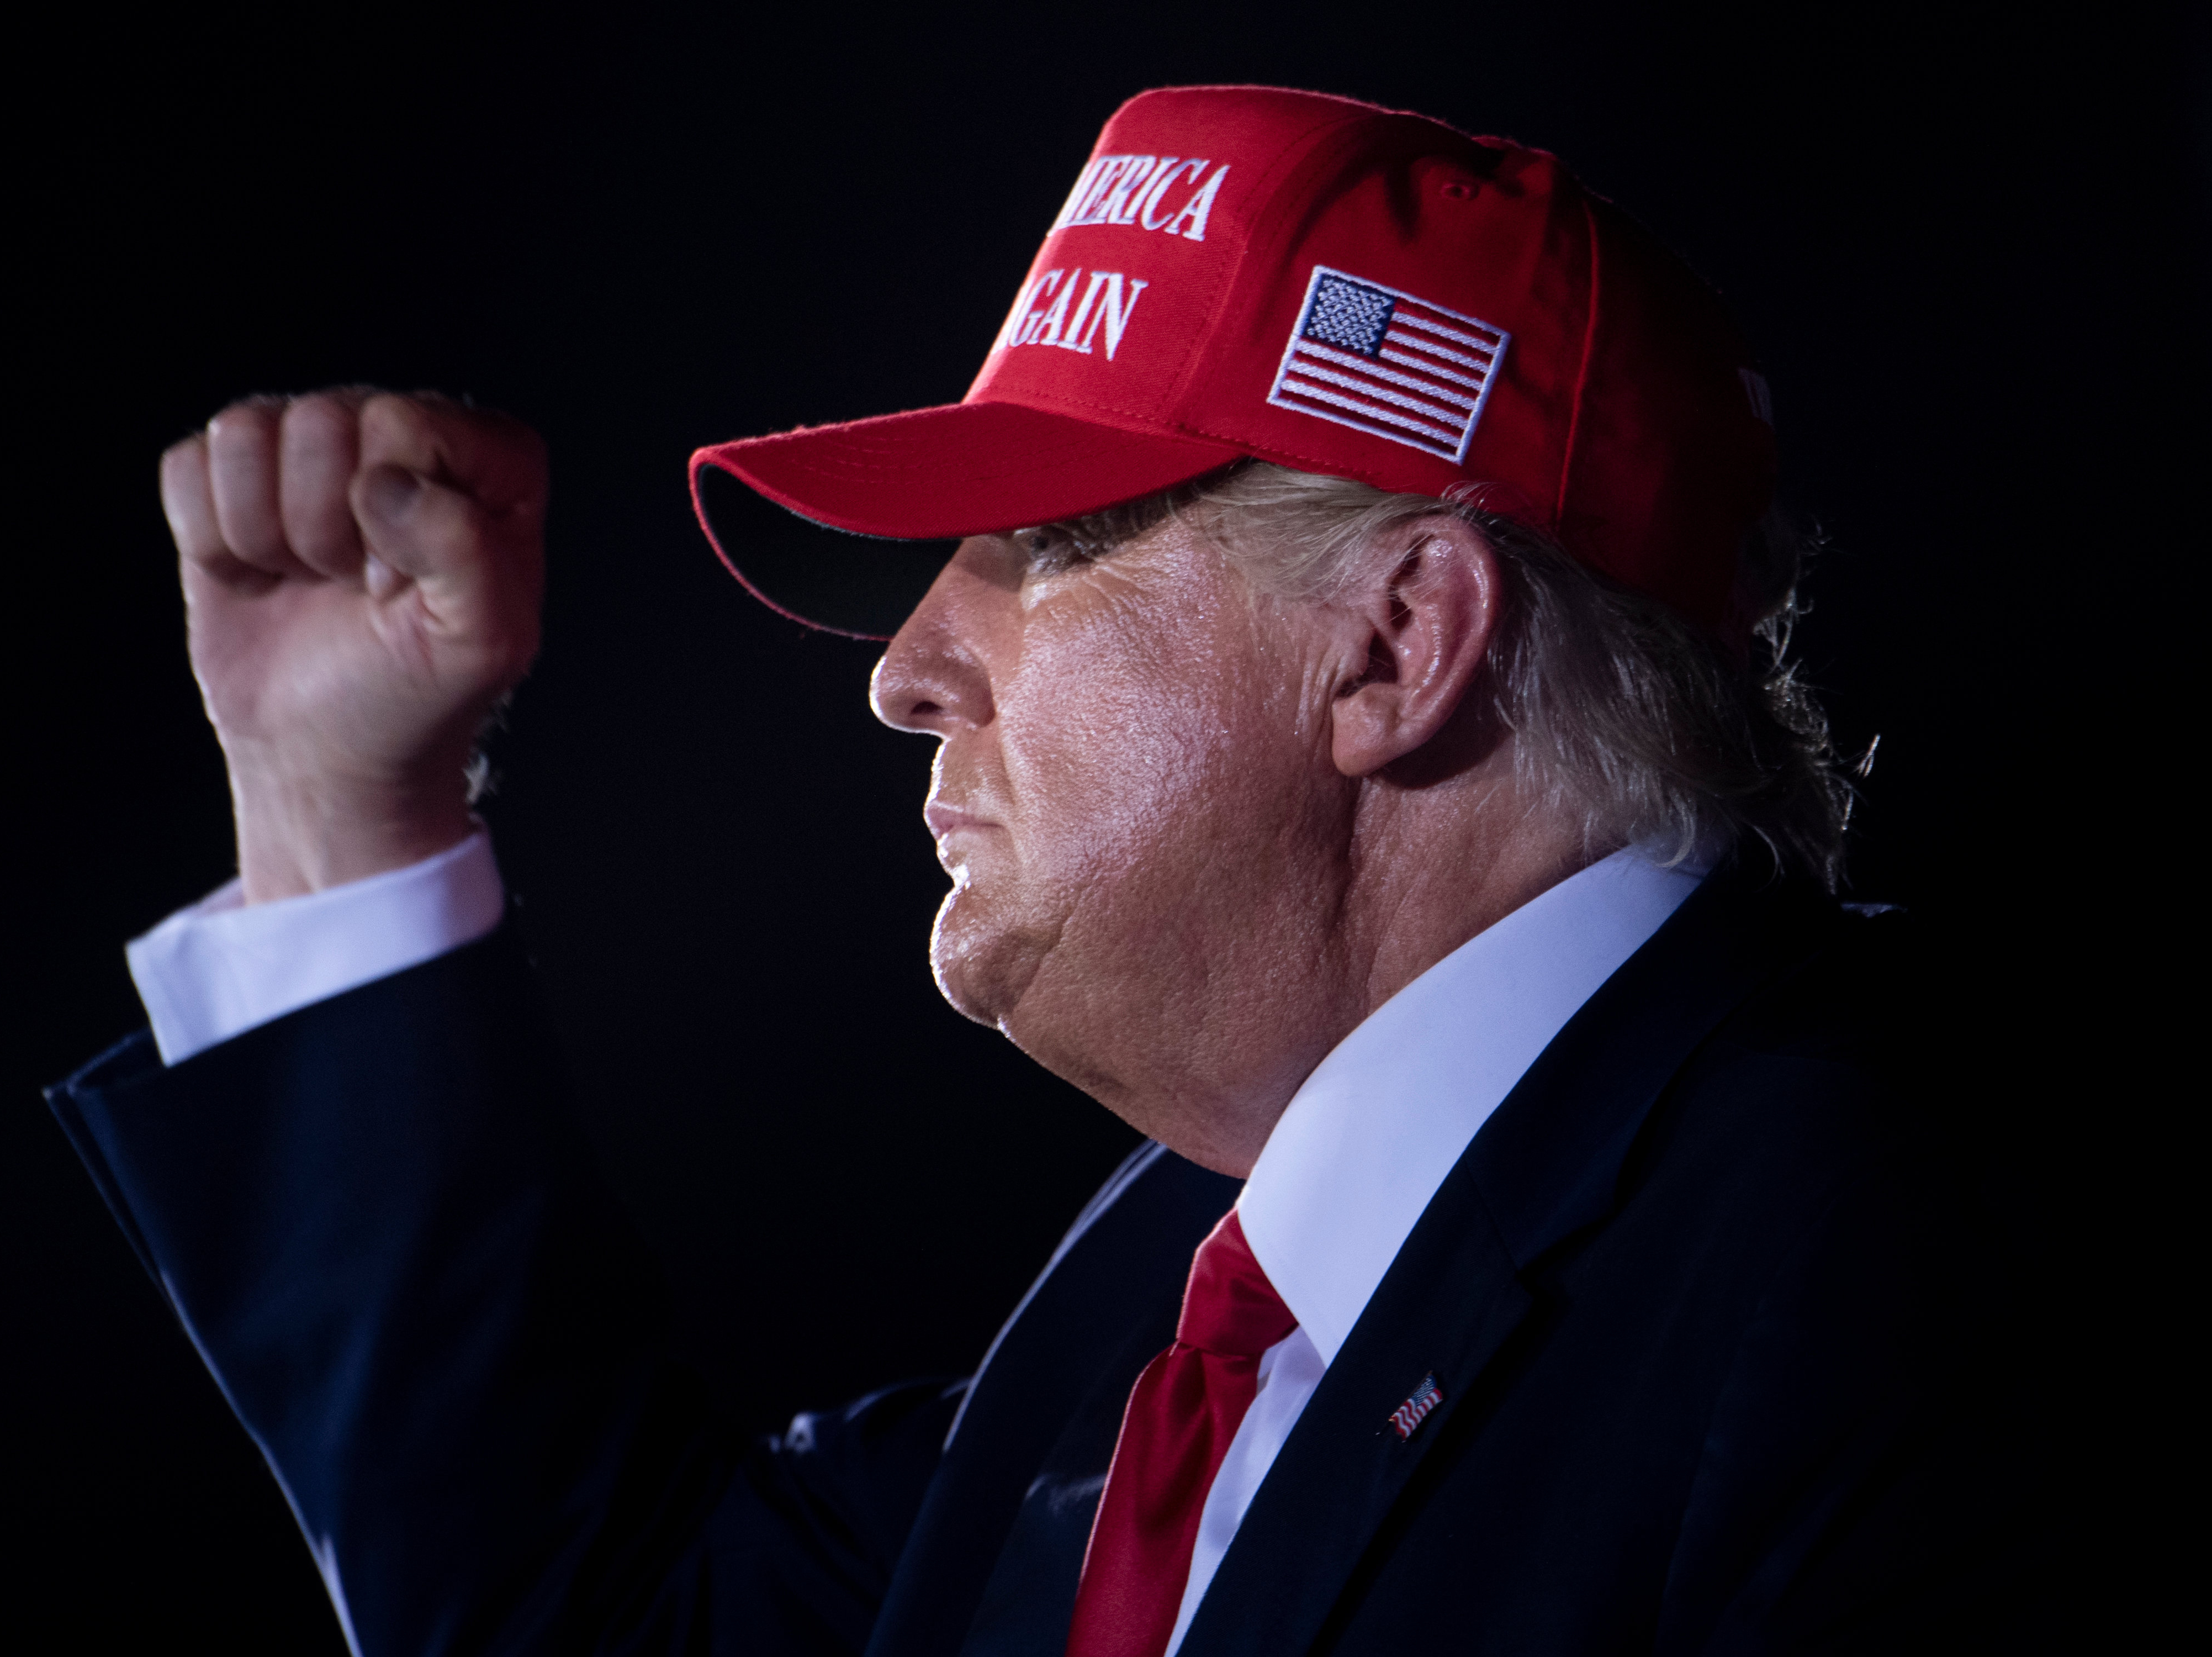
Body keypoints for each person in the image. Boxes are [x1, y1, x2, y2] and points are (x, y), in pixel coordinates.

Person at [51, 86, 2023, 1655]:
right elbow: (608, 1623)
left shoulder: (1916, 1245)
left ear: (1400, 641)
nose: (906, 673)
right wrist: (339, 814)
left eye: (1057, 541)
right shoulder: (1184, 1298)